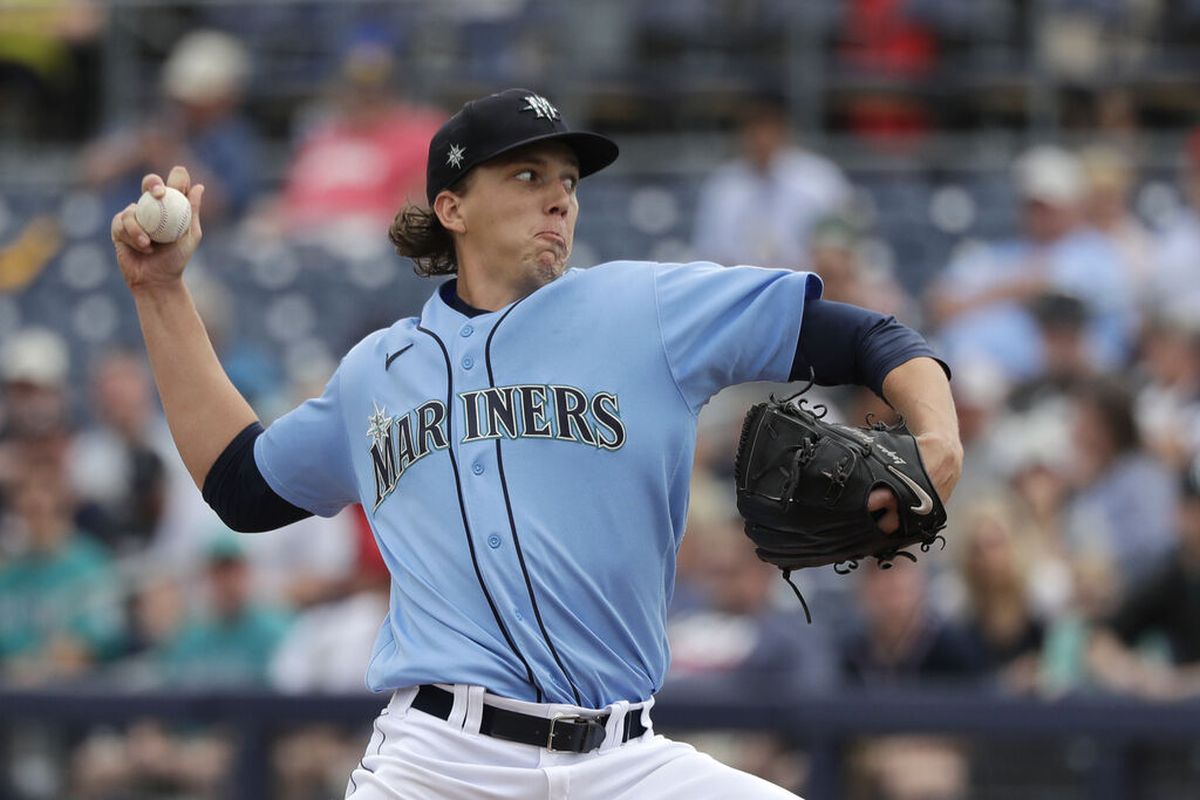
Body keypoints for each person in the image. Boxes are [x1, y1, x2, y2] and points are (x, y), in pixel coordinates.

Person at [110, 88, 962, 799]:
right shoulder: (379, 370)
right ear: (452, 207)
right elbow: (241, 486)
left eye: (567, 180)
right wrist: (161, 293)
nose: (561, 196)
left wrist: (936, 432)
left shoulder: (644, 309)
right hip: (440, 762)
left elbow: (866, 337)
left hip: (625, 761)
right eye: (527, 175)